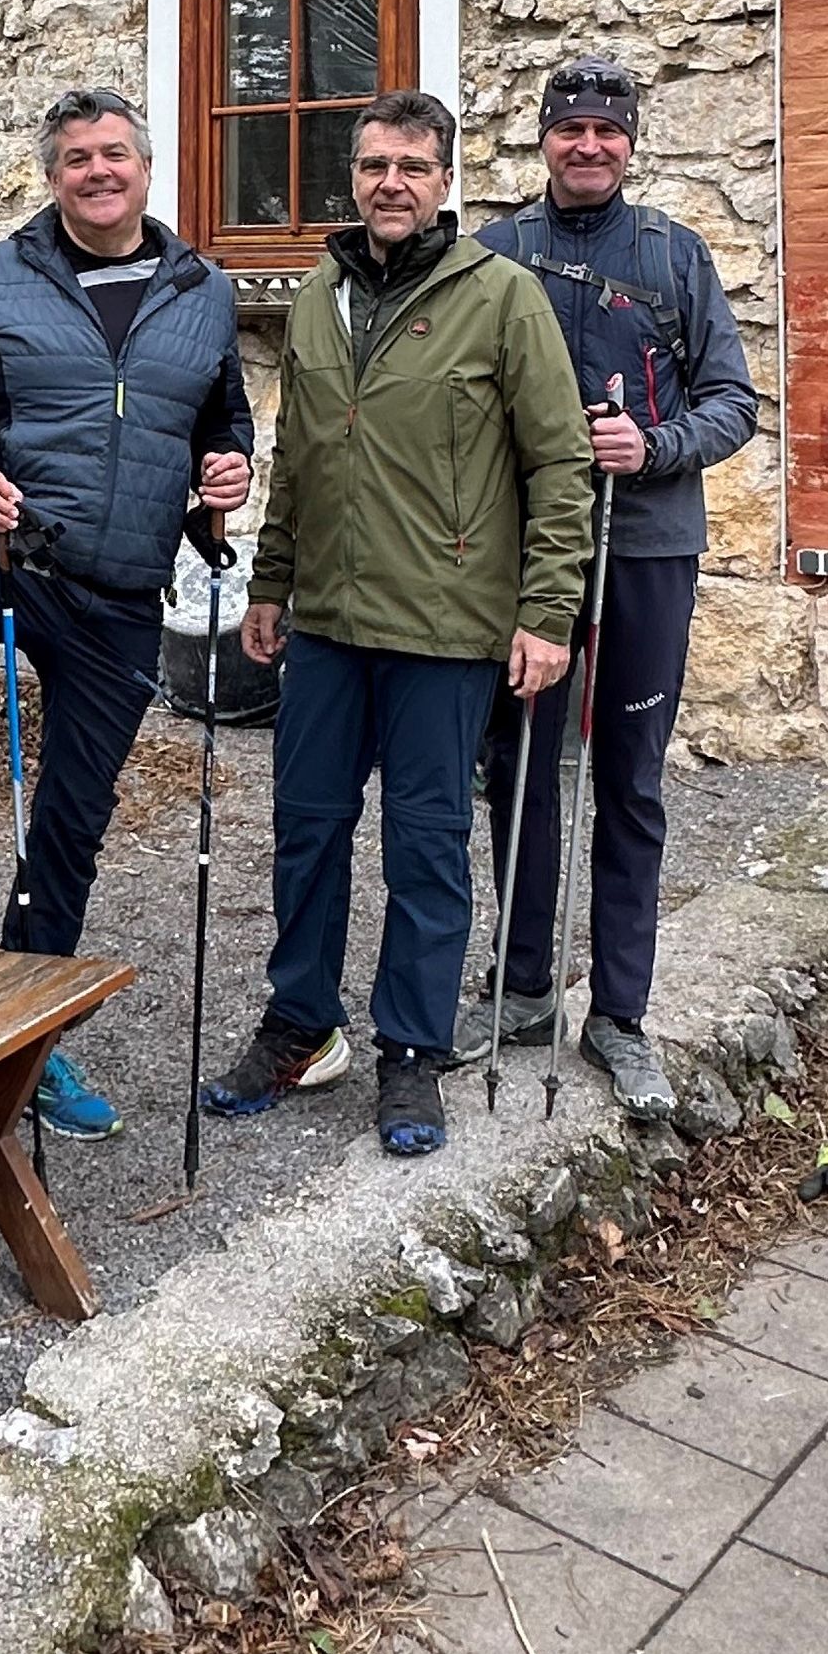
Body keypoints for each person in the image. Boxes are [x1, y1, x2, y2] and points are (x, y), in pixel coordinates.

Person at [0, 85, 253, 1140]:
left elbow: (224, 424)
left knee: (69, 828)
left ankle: (28, 1037)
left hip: (122, 595)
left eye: (115, 153)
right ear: (53, 176)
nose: (98, 170)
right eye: (77, 157)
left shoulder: (205, 288)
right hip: (11, 556)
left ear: (147, 167)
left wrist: (227, 477)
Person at [200, 89, 593, 1161]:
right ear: (354, 173)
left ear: (445, 180)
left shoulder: (503, 298)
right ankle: (299, 1022)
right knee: (307, 828)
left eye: (413, 167)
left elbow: (558, 465)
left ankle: (410, 1051)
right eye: (374, 164)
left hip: (445, 625)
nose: (390, 183)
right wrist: (271, 583)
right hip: (326, 617)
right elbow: (306, 458)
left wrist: (547, 612)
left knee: (428, 846)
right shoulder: (321, 291)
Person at [477, 55, 760, 1119]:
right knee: (517, 767)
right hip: (523, 555)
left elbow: (735, 399)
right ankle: (522, 982)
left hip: (644, 548)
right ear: (542, 139)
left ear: (631, 143)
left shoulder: (675, 257)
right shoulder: (495, 251)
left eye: (608, 131)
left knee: (629, 780)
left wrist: (657, 445)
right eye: (570, 130)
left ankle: (620, 1013)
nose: (588, 147)